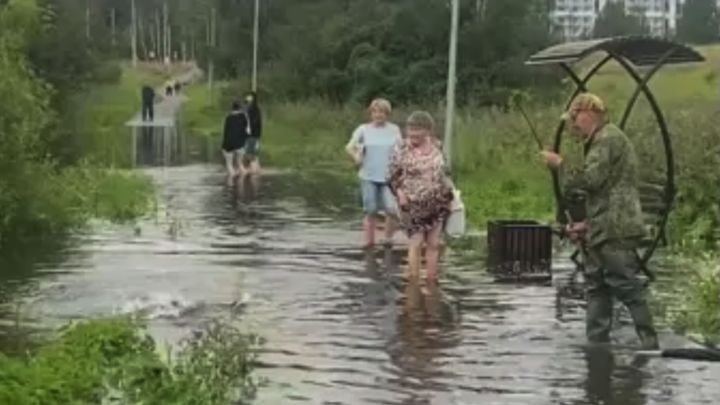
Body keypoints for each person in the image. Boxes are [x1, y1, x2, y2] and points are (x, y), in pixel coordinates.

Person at [541, 92, 659, 350]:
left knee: (624, 283)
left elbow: (590, 180)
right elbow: (602, 190)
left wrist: (559, 164)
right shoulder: (601, 139)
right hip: (602, 226)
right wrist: (588, 225)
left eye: (575, 117)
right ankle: (597, 345)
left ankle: (651, 345)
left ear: (588, 112)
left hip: (615, 228)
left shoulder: (606, 139)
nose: (573, 124)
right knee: (596, 285)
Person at [387, 111, 453, 282]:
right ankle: (414, 283)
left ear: (428, 130)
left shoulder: (438, 146)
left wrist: (451, 194)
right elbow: (392, 176)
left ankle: (432, 281)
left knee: (433, 244)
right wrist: (400, 194)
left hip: (437, 202)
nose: (413, 133)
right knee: (416, 242)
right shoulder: (401, 147)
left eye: (418, 129)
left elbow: (445, 173)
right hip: (411, 203)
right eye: (410, 128)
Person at [346, 98, 403, 248]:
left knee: (391, 209)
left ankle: (388, 238)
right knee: (370, 209)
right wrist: (356, 157)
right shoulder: (363, 129)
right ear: (371, 113)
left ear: (388, 114)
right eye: (375, 111)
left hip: (388, 176)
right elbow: (350, 147)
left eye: (382, 112)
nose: (379, 115)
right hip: (368, 175)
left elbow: (401, 149)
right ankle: (369, 242)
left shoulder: (394, 129)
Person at [222, 101, 250, 177]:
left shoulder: (228, 118)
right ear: (240, 108)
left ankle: (231, 181)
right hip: (240, 144)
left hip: (228, 144)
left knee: (229, 164)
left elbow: (225, 132)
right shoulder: (244, 116)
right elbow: (247, 130)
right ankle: (244, 178)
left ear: (232, 108)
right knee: (240, 163)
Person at [243, 91, 263, 174]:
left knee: (250, 153)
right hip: (252, 134)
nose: (247, 98)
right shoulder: (250, 109)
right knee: (252, 152)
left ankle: (254, 172)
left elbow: (255, 121)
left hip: (252, 134)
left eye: (249, 97)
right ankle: (257, 169)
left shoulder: (254, 109)